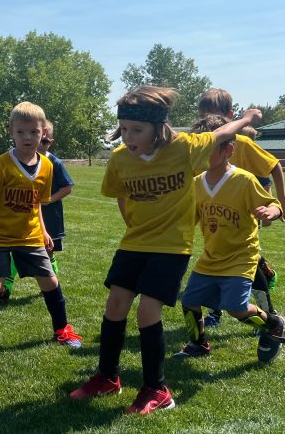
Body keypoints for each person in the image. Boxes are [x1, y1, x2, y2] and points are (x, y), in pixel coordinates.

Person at [69, 85, 262, 414]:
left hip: (172, 247)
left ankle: (157, 390)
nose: (128, 137)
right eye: (124, 129)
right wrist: (130, 220)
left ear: (158, 127)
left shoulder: (184, 148)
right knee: (115, 304)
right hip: (135, 242)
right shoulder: (120, 160)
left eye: (137, 130)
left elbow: (221, 134)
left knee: (147, 312)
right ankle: (107, 377)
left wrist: (244, 119)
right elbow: (118, 192)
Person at [0, 101, 83, 352]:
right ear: (11, 132)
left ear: (43, 133)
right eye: (21, 132)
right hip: (0, 238)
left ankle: (62, 331)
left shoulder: (47, 166)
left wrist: (44, 231)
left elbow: (36, 204)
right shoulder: (1, 165)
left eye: (34, 132)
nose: (28, 137)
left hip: (31, 236)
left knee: (50, 282)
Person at [174, 115, 285, 363]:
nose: (201, 156)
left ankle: (275, 324)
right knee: (190, 301)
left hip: (241, 256)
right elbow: (187, 219)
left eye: (209, 149)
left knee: (236, 308)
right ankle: (198, 344)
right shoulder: (196, 184)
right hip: (211, 257)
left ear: (228, 150)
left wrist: (271, 211)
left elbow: (273, 204)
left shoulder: (244, 180)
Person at [197, 88, 285, 325]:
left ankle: (269, 313)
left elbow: (274, 166)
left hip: (246, 211)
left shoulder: (242, 144)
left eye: (213, 115)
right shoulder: (200, 146)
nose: (209, 122)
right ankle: (215, 313)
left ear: (229, 115)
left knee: (248, 263)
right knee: (216, 259)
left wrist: (281, 203)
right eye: (203, 115)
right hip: (215, 216)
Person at [1, 119, 74, 300]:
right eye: (41, 141)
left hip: (50, 218)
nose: (42, 145)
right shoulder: (18, 161)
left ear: (50, 140)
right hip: (27, 218)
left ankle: (52, 284)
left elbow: (68, 187)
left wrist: (48, 200)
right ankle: (5, 288)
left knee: (47, 254)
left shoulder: (53, 163)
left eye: (46, 142)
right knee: (17, 252)